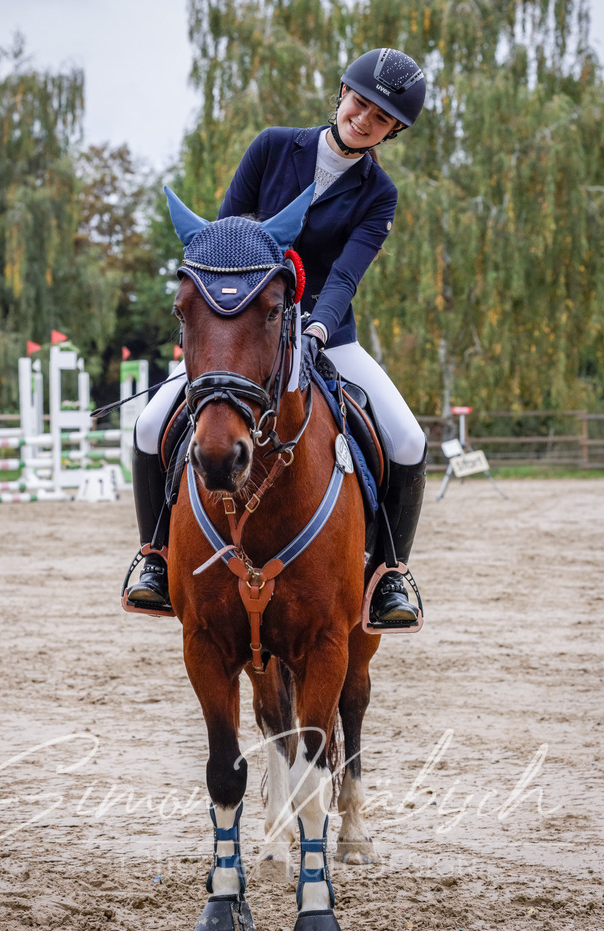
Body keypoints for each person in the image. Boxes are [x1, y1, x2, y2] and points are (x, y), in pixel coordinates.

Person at [128, 47, 428, 626]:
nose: (363, 120)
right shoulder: (272, 146)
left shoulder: (378, 195)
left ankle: (390, 575)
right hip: (242, 332)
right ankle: (155, 559)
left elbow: (345, 275)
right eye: (360, 103)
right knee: (147, 424)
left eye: (381, 118)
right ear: (341, 94)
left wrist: (315, 326)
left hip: (326, 335)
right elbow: (223, 235)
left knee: (410, 442)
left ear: (392, 131)